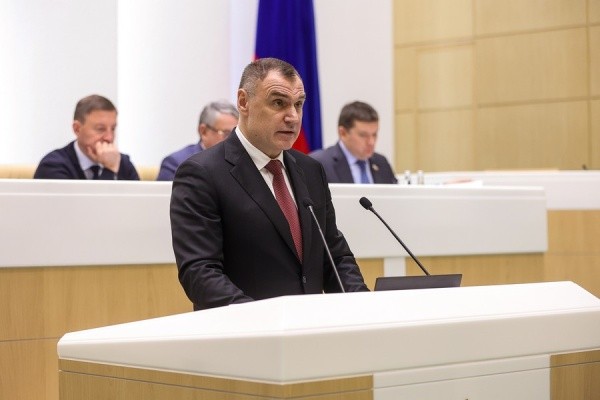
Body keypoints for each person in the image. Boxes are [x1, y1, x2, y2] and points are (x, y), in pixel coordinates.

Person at [170, 58, 369, 310]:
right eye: (278, 103)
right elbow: (200, 273)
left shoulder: (310, 170)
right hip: (245, 330)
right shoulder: (202, 174)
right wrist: (262, 319)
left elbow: (334, 257)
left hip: (310, 326)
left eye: (298, 104)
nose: (293, 117)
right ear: (244, 102)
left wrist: (365, 306)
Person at [34, 94, 139, 180]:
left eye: (113, 128)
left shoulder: (122, 163)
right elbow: (92, 201)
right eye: (100, 129)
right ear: (77, 129)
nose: (109, 137)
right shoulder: (53, 165)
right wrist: (109, 170)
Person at [309, 101, 397, 184]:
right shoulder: (318, 164)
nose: (371, 142)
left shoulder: (381, 163)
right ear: (343, 133)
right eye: (363, 135)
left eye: (374, 135)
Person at [156, 100, 239, 181]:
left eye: (235, 134)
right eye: (226, 133)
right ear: (203, 131)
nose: (232, 139)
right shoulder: (176, 164)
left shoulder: (240, 162)